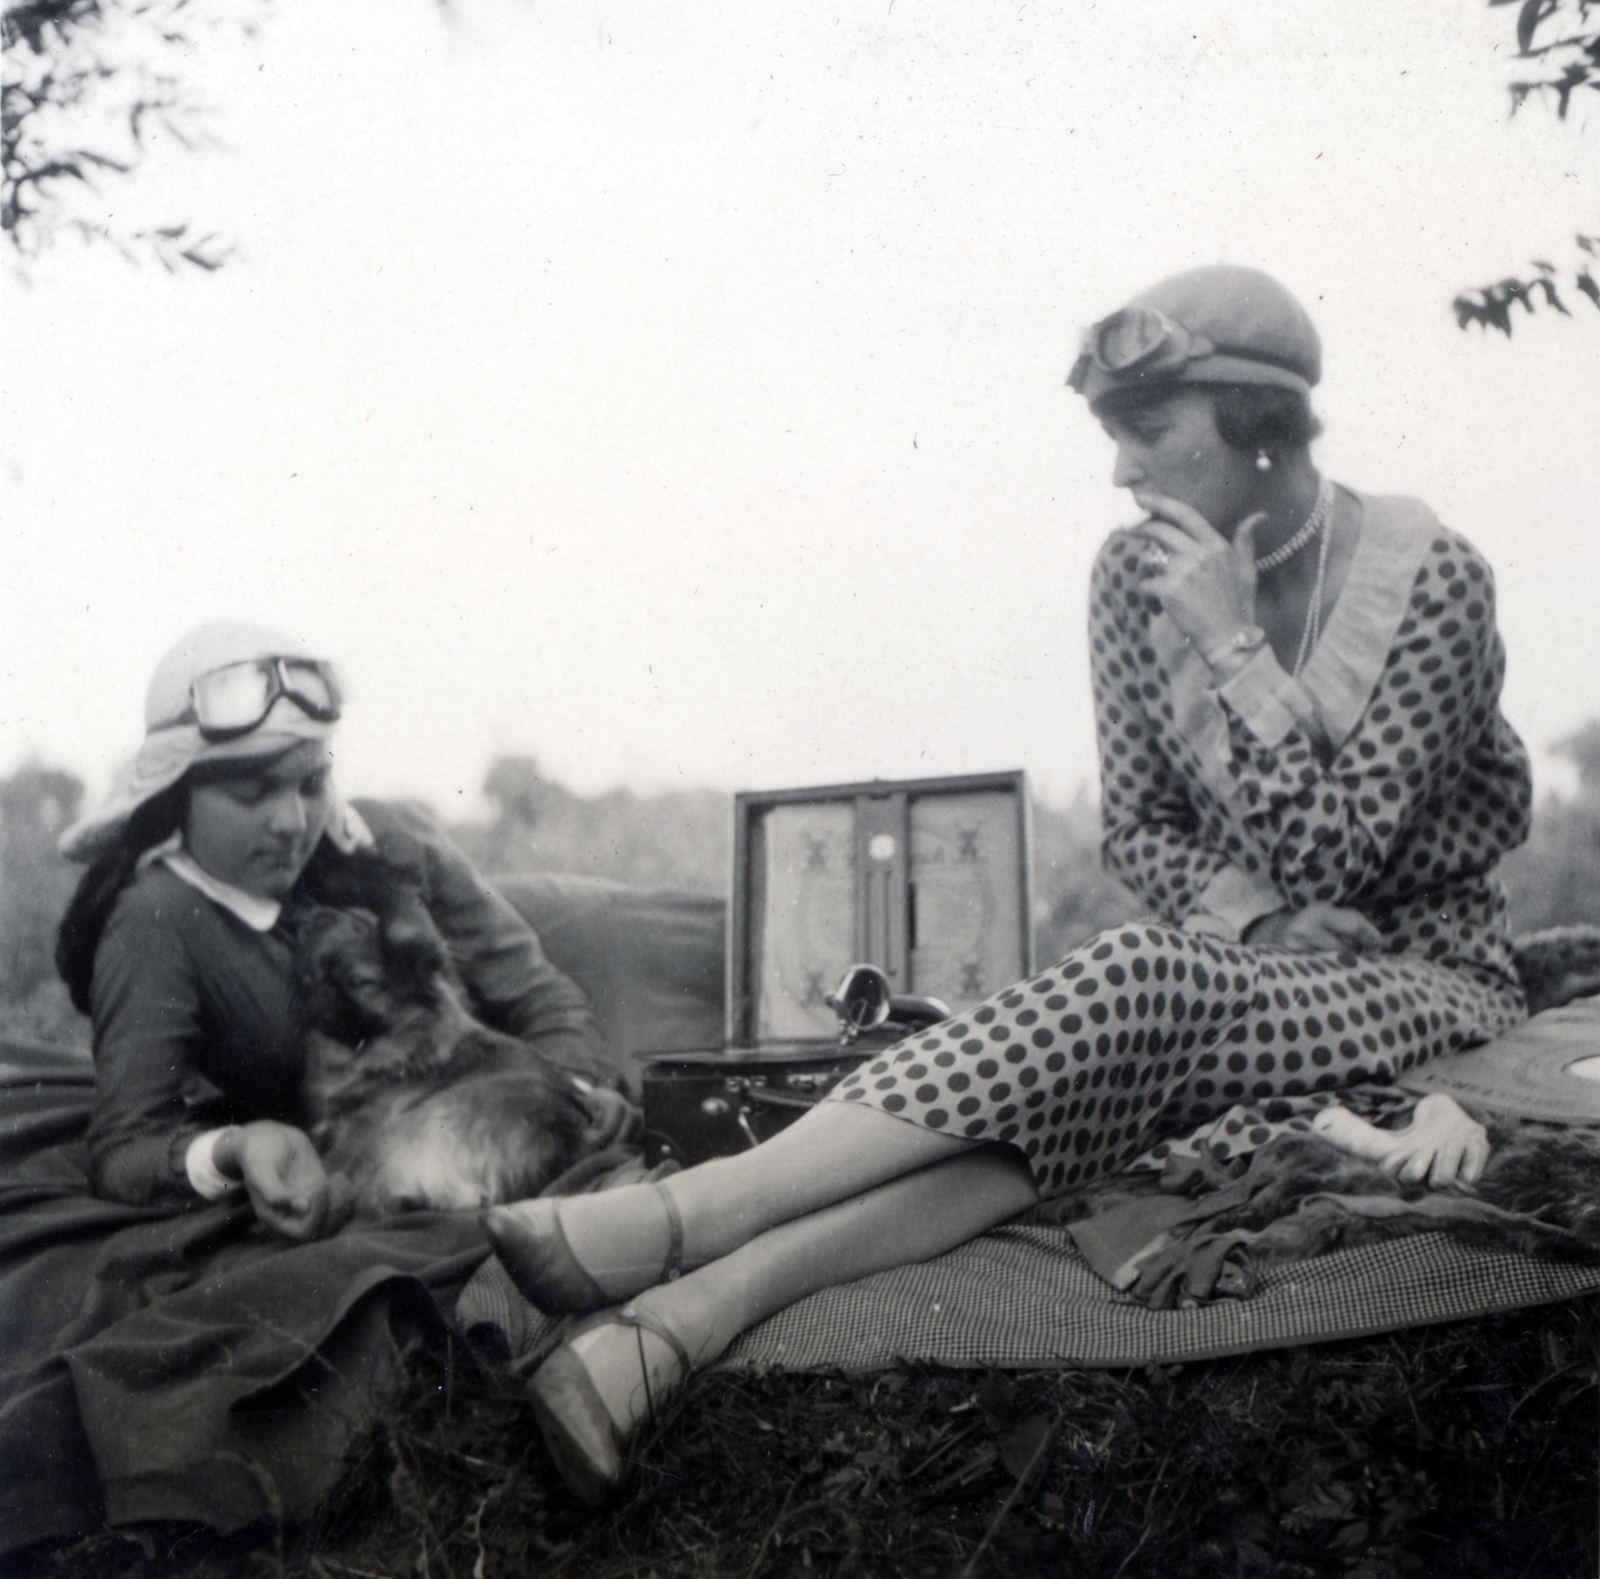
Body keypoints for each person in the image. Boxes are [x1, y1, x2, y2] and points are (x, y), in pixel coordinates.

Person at [484, 264, 1534, 1505]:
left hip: (1423, 973)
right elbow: (1138, 828)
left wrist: (1231, 645)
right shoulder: (1129, 576)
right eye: (1109, 437)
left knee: (1141, 973)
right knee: (1053, 1118)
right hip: (1254, 967)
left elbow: (1339, 856)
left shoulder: (1431, 579)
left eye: (1146, 433)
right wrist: (1259, 914)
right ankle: (665, 1334)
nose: (1120, 474)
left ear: (1256, 428)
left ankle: (685, 1218)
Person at [56, 620, 619, 1237]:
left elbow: (541, 997)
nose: (292, 823)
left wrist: (569, 1097)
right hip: (394, 1181)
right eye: (253, 793)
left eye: (312, 783)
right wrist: (236, 1150)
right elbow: (127, 1144)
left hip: (520, 1129)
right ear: (176, 796)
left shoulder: (388, 839)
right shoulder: (156, 920)